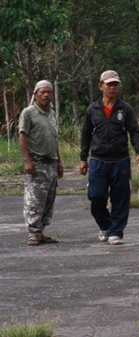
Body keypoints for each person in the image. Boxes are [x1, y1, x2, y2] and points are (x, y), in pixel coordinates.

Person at [79, 70, 139, 245]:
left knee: (121, 198)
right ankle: (105, 226)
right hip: (98, 161)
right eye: (109, 84)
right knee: (96, 195)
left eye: (115, 84)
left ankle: (116, 232)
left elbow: (135, 132)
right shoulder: (92, 110)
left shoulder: (125, 109)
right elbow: (85, 134)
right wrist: (83, 158)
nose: (113, 88)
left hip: (120, 160)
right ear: (101, 86)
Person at [19, 80, 64, 246]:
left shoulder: (51, 113)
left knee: (48, 200)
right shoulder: (29, 113)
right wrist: (27, 161)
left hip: (50, 163)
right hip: (36, 164)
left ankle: (41, 232)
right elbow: (22, 136)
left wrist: (59, 161)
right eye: (43, 92)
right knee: (34, 200)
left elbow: (55, 138)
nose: (46, 95)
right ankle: (33, 233)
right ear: (35, 95)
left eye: (49, 92)